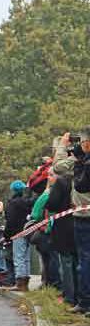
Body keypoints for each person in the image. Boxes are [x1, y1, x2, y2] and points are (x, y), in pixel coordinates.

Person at [54, 130, 90, 314]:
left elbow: (58, 167)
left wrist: (63, 145)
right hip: (81, 215)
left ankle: (85, 301)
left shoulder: (82, 161)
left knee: (84, 260)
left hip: (84, 216)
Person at [46, 160, 77, 306]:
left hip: (64, 225)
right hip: (78, 221)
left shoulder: (61, 182)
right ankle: (79, 295)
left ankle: (69, 296)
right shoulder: (78, 178)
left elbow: (52, 203)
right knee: (79, 261)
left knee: (66, 261)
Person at [4, 180, 33, 292]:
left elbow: (10, 220)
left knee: (18, 258)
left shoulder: (13, 203)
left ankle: (20, 282)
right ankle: (26, 281)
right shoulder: (26, 202)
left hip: (16, 233)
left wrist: (6, 235)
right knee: (26, 258)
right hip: (27, 231)